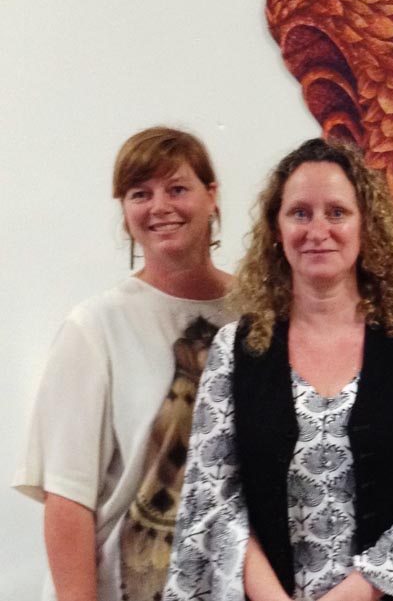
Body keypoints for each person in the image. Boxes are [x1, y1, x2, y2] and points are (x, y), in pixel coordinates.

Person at [163, 138, 393, 601]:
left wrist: (353, 593)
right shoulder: (234, 350)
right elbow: (213, 496)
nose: (318, 229)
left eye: (337, 212)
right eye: (300, 213)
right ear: (276, 228)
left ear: (364, 226)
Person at [13, 127, 234, 601]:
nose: (160, 206)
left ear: (212, 196)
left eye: (177, 188)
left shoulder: (259, 312)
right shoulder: (94, 329)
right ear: (125, 210)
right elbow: (67, 499)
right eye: (141, 193)